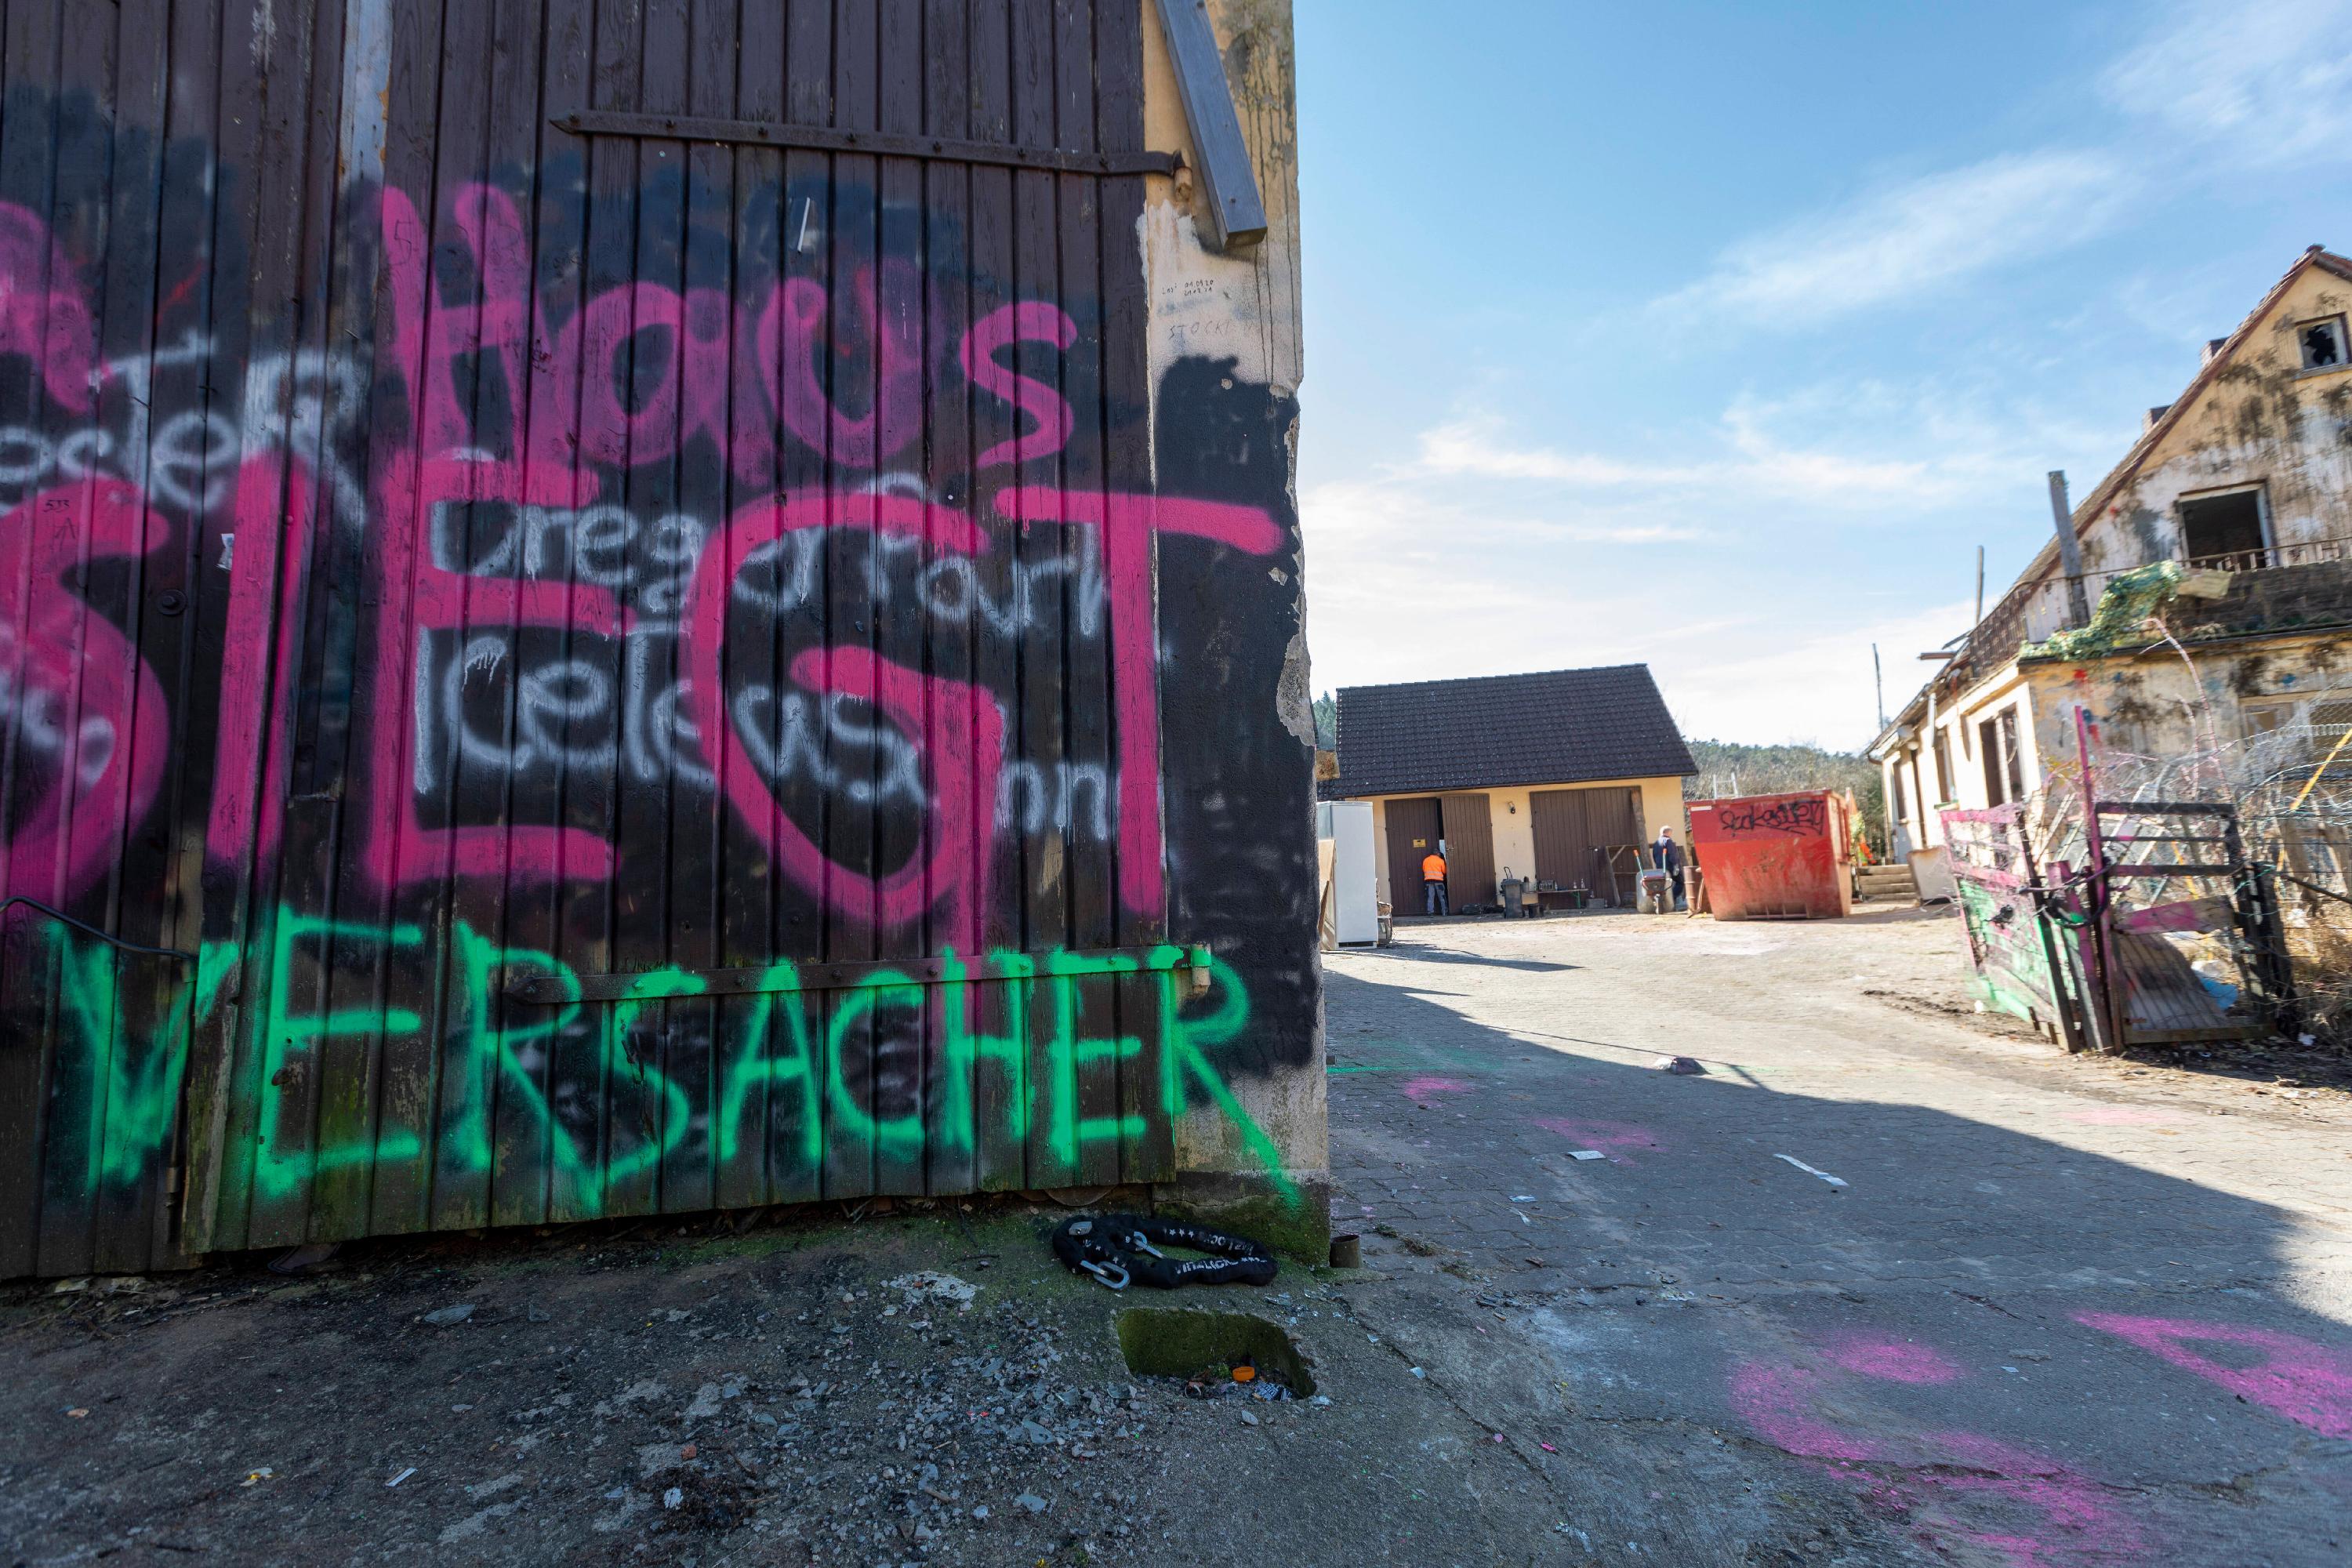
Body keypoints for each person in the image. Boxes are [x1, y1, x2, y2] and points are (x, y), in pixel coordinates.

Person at [1653, 826, 1685, 909]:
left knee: (1665, 885)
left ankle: (1663, 901)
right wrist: (1676, 866)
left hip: (1661, 868)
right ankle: (1670, 899)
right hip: (1670, 867)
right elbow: (1672, 855)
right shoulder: (1668, 841)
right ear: (1669, 833)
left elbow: (1654, 856)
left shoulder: (1656, 843)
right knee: (1680, 882)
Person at [1421, 845, 1449, 915]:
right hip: (1439, 882)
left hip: (1429, 882)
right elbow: (1444, 871)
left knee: (1430, 898)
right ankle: (1444, 912)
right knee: (1442, 897)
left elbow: (1424, 870)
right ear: (1438, 853)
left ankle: (1430, 913)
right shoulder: (1441, 861)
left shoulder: (1426, 860)